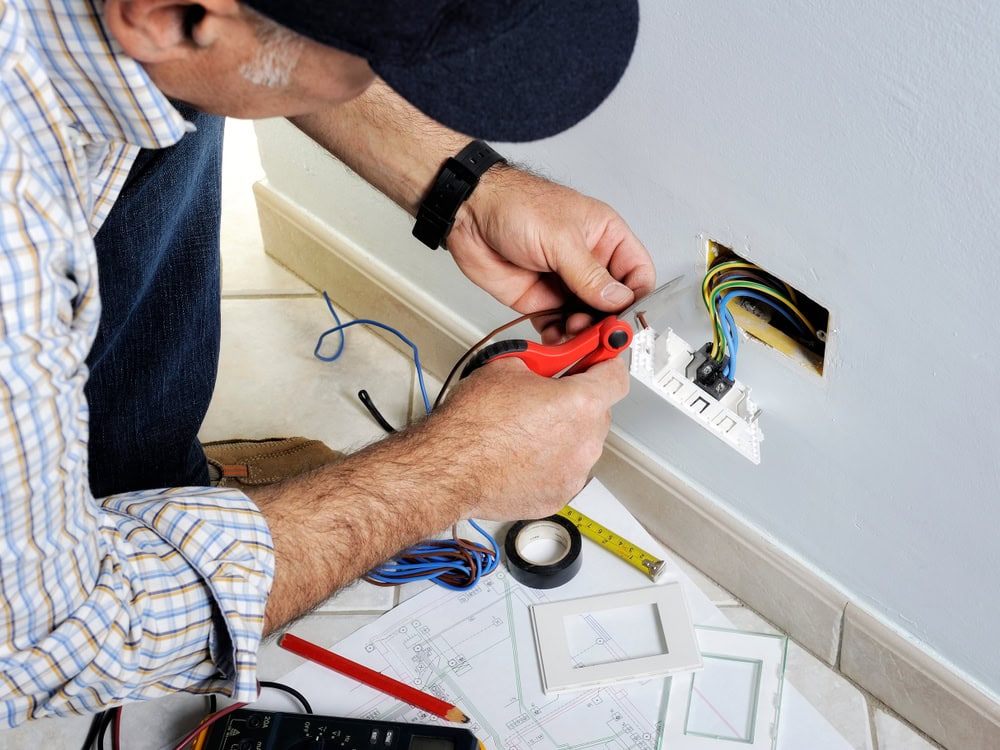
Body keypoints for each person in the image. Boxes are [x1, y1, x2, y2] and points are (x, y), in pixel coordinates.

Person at [0, 0, 655, 727]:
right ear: (173, 14)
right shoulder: (16, 238)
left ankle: (142, 487)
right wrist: (457, 467)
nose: (383, 82)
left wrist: (468, 191)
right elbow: (44, 641)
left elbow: (240, 47)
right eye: (368, 64)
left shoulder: (148, 39)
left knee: (172, 122)